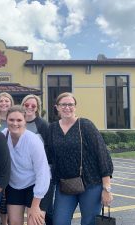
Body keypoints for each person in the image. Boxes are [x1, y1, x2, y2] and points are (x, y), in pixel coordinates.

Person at [49, 92, 114, 225]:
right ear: (57, 107)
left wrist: (106, 188)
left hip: (91, 183)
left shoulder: (85, 125)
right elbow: (49, 157)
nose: (67, 107)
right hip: (65, 184)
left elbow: (102, 154)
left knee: (89, 222)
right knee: (59, 221)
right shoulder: (52, 128)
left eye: (70, 104)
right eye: (63, 104)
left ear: (75, 107)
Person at [3, 105, 51, 225]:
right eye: (11, 120)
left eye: (19, 120)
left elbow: (43, 173)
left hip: (36, 185)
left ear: (25, 121)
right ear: (6, 120)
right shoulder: (3, 136)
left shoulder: (33, 141)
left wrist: (35, 206)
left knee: (34, 222)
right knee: (14, 223)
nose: (15, 123)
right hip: (14, 185)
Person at [21, 95, 53, 225]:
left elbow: (49, 148)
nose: (29, 108)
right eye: (26, 105)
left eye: (33, 106)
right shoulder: (17, 121)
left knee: (36, 218)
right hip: (21, 175)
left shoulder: (43, 125)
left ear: (37, 108)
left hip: (39, 174)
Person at [0, 92, 14, 225]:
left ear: (11, 103)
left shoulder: (14, 118)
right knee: (0, 193)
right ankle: (3, 221)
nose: (4, 103)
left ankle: (10, 219)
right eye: (1, 101)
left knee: (11, 193)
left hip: (14, 160)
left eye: (7, 101)